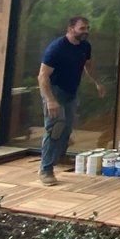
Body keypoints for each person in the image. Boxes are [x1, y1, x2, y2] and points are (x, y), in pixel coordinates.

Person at [37, 16, 106, 186]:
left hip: (70, 92)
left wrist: (97, 82)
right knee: (54, 129)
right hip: (54, 91)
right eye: (82, 28)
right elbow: (42, 76)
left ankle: (57, 158)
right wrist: (50, 101)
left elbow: (87, 66)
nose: (86, 31)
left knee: (66, 130)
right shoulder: (57, 48)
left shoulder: (84, 46)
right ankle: (45, 170)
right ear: (70, 29)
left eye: (87, 28)